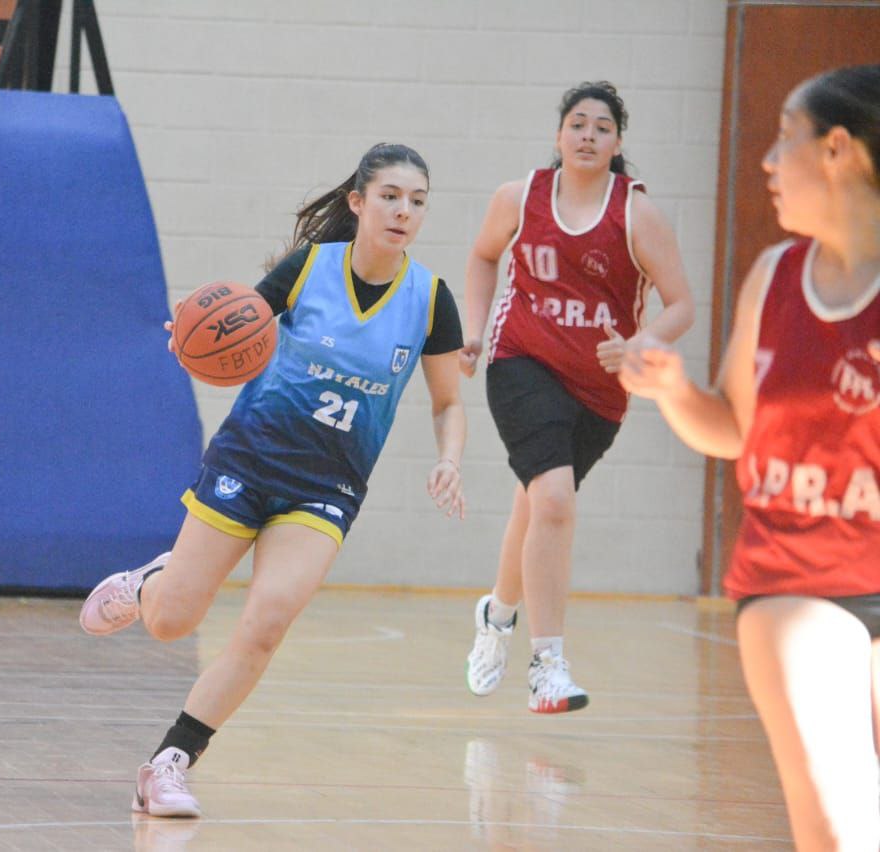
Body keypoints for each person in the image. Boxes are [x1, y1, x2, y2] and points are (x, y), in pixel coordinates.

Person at [79, 143, 467, 817]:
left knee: (266, 624)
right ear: (358, 202)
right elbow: (236, 327)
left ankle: (169, 763)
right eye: (390, 196)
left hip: (328, 488)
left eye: (417, 201)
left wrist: (449, 459)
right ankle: (148, 584)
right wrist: (191, 334)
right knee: (171, 622)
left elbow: (448, 402)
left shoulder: (431, 300)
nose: (403, 211)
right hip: (249, 460)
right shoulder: (310, 267)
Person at [620, 65, 880, 851]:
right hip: (797, 576)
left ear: (837, 150)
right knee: (840, 823)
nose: (767, 161)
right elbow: (734, 428)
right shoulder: (774, 277)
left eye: (784, 138)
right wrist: (673, 391)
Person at [459, 81, 695, 713]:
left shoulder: (637, 214)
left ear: (617, 143)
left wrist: (640, 344)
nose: (588, 135)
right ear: (558, 135)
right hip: (521, 362)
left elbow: (682, 305)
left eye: (602, 127)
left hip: (599, 387)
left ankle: (497, 615)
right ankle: (548, 665)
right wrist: (476, 331)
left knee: (537, 506)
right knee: (555, 501)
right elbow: (482, 257)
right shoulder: (519, 197)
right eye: (578, 124)